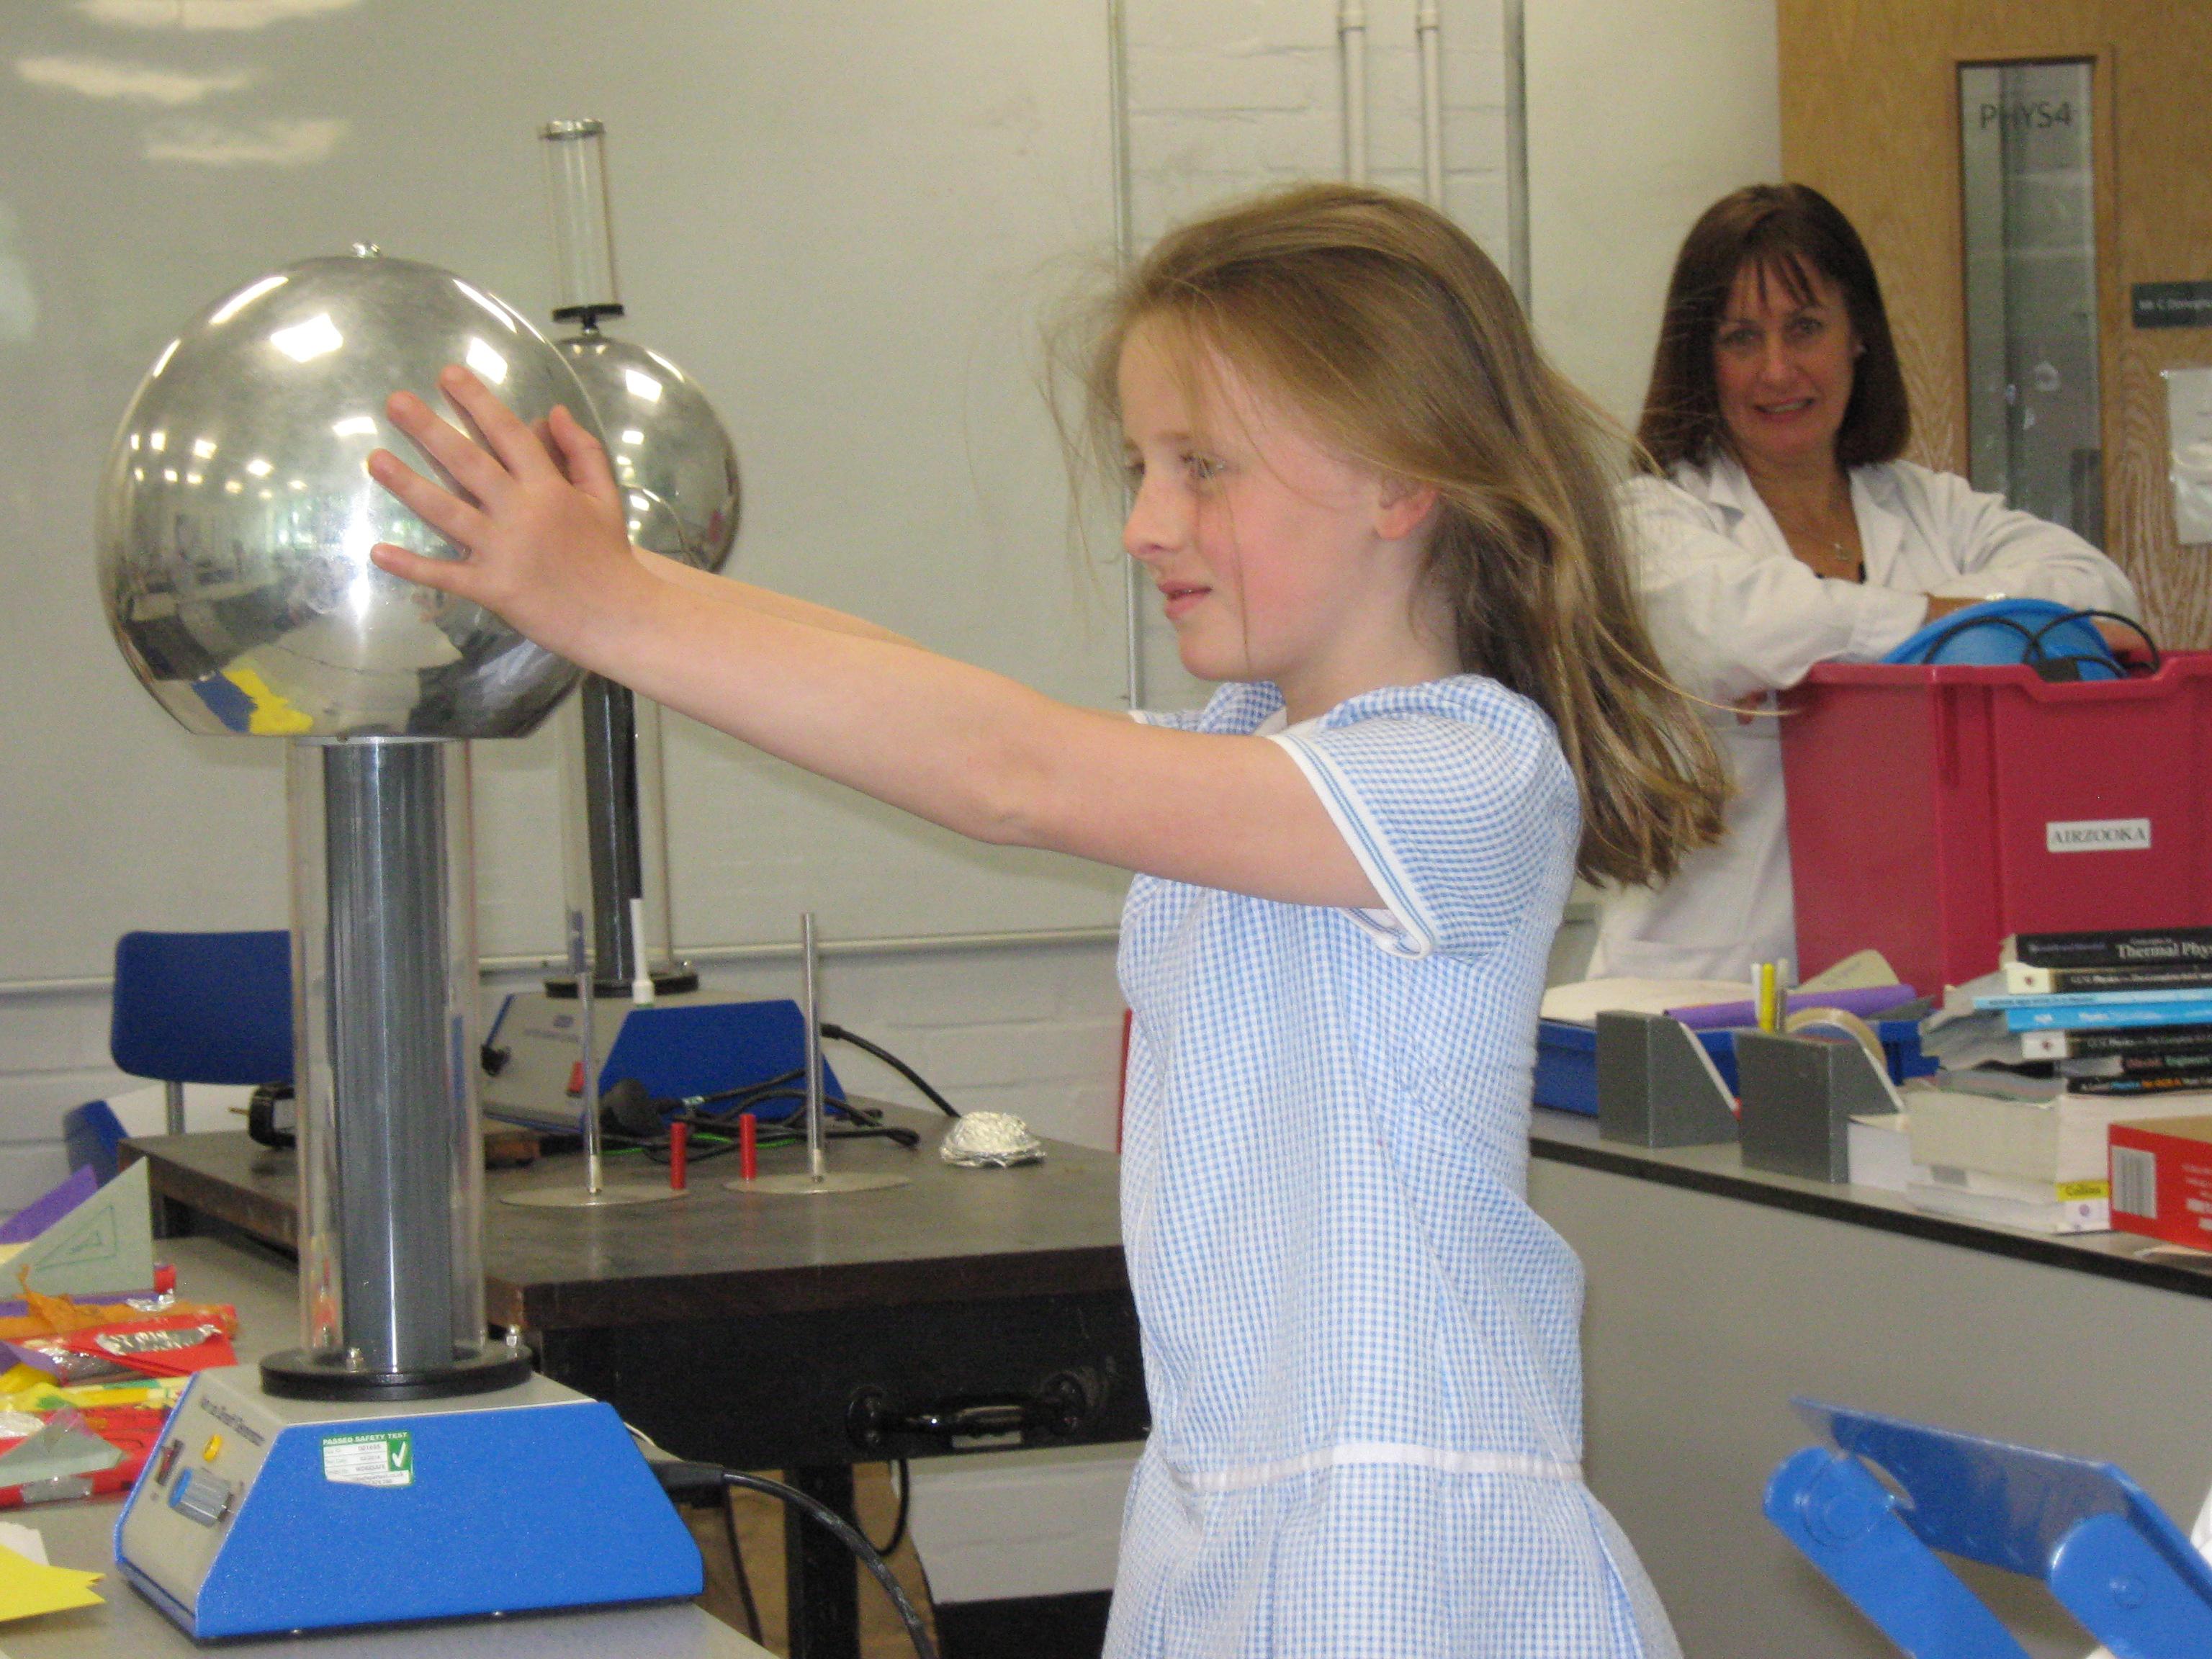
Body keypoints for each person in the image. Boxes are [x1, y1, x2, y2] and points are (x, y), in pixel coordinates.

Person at [367, 184, 1727, 1657]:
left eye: (1202, 467)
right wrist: (625, 583)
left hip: (1408, 1545)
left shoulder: (1466, 771)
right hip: (1231, 1507)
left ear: (1402, 478)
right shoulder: (1249, 748)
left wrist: (610, 609)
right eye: (1143, 466)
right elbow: (931, 690)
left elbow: (1010, 771)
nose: (1146, 524)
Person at [1588, 182, 2139, 983]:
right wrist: (1960, 627)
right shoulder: (1647, 522)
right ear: (1702, 362)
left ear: (1858, 337)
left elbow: (2101, 592)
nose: (1777, 370)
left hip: (1907, 977)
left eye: (1805, 328)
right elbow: (1739, 627)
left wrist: (1847, 641)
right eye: (1740, 338)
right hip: (1704, 984)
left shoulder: (1930, 509)